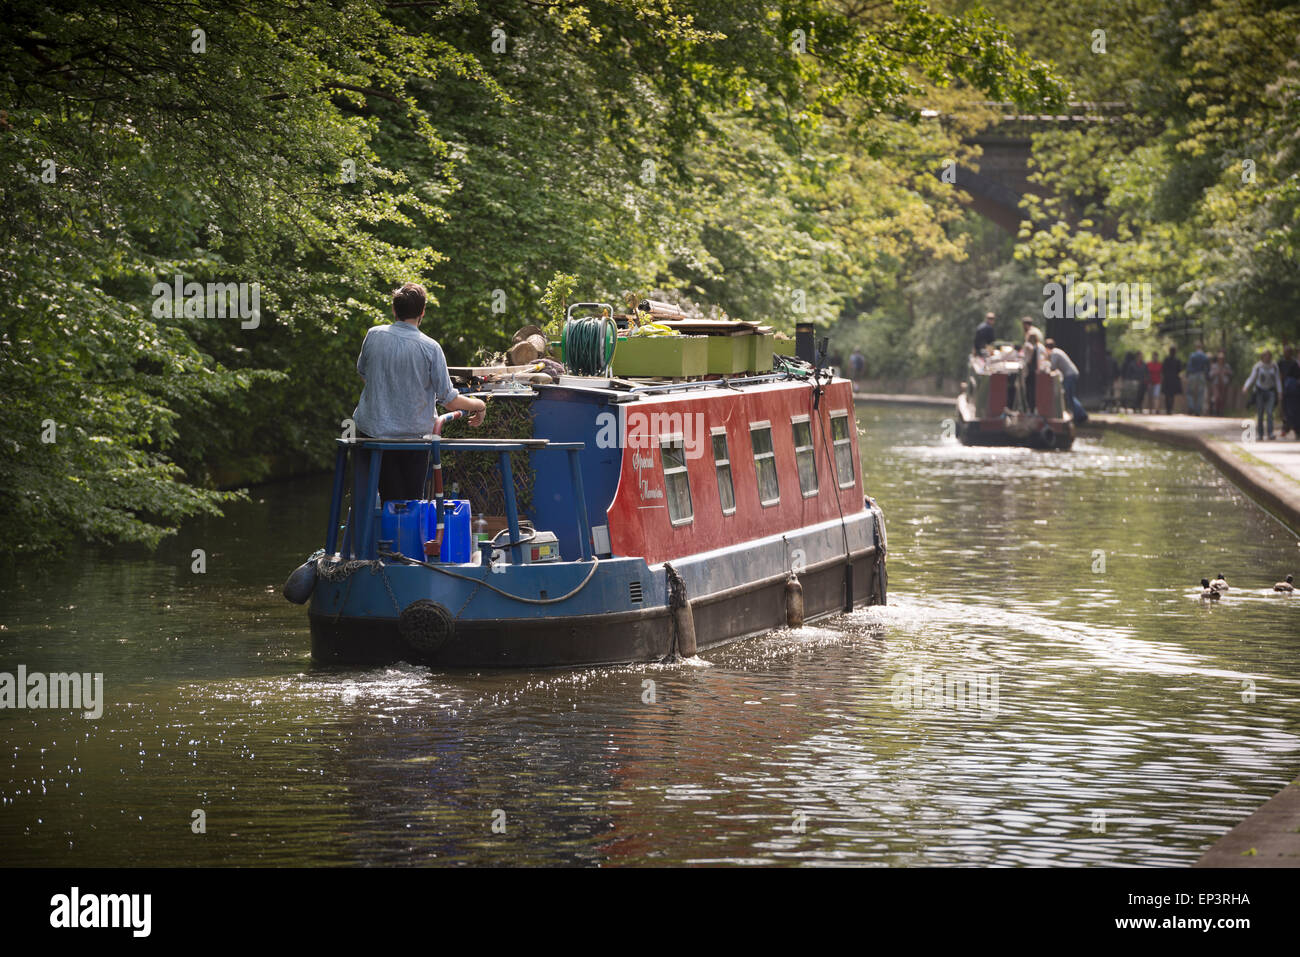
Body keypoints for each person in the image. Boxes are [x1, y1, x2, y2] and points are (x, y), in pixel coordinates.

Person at [353, 282, 487, 500]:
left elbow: (363, 373)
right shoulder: (431, 348)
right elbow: (449, 400)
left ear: (394, 309)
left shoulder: (373, 335)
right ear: (423, 311)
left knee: (383, 498)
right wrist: (479, 405)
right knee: (409, 502)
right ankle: (405, 527)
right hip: (412, 439)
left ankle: (377, 526)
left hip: (372, 434)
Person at [1045, 338, 1088, 423]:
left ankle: (1080, 415)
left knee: (1069, 396)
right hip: (1071, 374)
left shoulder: (1054, 353)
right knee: (1070, 395)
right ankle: (1080, 414)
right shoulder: (1057, 351)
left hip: (1070, 375)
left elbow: (1052, 367)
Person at [1242, 349, 1282, 440]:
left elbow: (1277, 380)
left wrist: (1280, 392)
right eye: (1265, 355)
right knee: (1260, 413)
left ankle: (1270, 433)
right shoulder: (1258, 366)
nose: (1267, 357)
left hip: (1271, 391)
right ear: (1262, 357)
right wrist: (1246, 387)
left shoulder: (1274, 366)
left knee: (1269, 412)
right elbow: (1252, 377)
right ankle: (1260, 434)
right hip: (1260, 391)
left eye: (1269, 355)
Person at [1278, 345, 1299, 438]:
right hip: (1285, 390)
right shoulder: (1281, 362)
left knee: (1293, 411)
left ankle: (1295, 430)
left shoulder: (1294, 363)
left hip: (1294, 391)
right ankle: (1285, 428)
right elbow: (1278, 376)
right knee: (1286, 410)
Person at [1184, 342, 1209, 415]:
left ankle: (1191, 407)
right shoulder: (1204, 356)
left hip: (1193, 375)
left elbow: (1189, 365)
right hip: (1201, 374)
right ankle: (1198, 410)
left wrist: (1187, 374)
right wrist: (1206, 375)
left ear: (1196, 347)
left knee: (1189, 392)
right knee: (1200, 393)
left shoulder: (1192, 355)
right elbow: (1207, 367)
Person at [1209, 351, 1232, 416]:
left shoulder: (1226, 366)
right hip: (1216, 384)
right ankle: (1215, 411)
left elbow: (1231, 373)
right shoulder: (1214, 366)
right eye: (1219, 358)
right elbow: (1210, 374)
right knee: (1216, 397)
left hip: (1224, 384)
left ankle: (1221, 411)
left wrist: (1226, 372)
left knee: (1222, 398)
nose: (1221, 360)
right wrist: (1215, 373)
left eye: (1222, 359)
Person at [1161, 346, 1183, 414]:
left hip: (1168, 379)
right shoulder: (1176, 360)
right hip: (1173, 379)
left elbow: (1163, 369)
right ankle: (1169, 409)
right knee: (1171, 395)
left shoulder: (1167, 360)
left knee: (1168, 395)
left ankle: (1169, 409)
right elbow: (1179, 370)